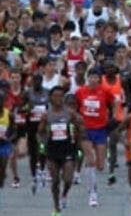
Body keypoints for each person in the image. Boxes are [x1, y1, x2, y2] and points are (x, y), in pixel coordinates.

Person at [39, 85, 82, 216]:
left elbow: (80, 126)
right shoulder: (46, 115)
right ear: (50, 98)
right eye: (55, 96)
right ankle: (56, 207)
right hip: (52, 149)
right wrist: (42, 142)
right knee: (55, 180)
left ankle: (64, 194)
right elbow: (40, 132)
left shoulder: (70, 113)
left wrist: (79, 142)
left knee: (68, 179)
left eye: (60, 96)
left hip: (68, 148)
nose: (58, 98)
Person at [75, 66, 115, 207]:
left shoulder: (105, 91)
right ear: (88, 78)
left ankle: (92, 172)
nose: (93, 80)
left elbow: (114, 103)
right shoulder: (80, 91)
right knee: (90, 160)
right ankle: (92, 193)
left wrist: (113, 118)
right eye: (91, 77)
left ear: (99, 79)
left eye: (95, 78)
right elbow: (74, 105)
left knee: (100, 166)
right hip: (86, 130)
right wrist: (77, 121)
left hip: (101, 130)